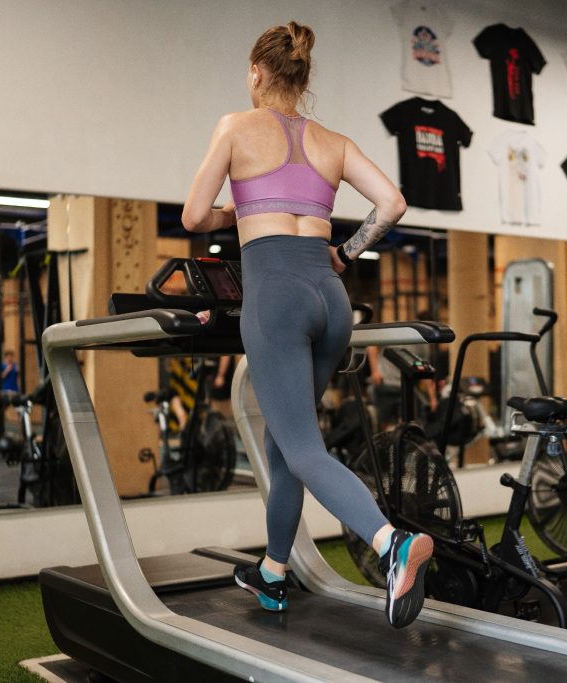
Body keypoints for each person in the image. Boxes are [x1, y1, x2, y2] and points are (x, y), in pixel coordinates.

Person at [182, 21, 431, 629]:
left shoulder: (235, 127)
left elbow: (193, 216)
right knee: (285, 442)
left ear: (256, 73)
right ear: (304, 77)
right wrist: (345, 253)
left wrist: (238, 210)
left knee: (302, 447)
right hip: (330, 297)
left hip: (276, 299)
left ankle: (389, 543)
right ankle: (272, 573)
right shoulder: (333, 141)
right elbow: (393, 203)